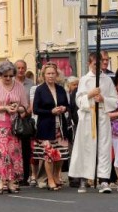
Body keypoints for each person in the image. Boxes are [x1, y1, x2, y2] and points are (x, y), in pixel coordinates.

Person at [68, 52, 118, 193]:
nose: (98, 66)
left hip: (102, 115)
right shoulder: (84, 79)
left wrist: (103, 99)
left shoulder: (107, 80)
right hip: (88, 116)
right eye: (95, 63)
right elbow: (78, 100)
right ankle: (84, 178)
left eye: (100, 63)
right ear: (89, 64)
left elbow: (115, 101)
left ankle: (103, 179)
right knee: (86, 147)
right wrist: (89, 95)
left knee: (104, 147)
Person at [0, 61, 28, 195]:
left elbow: (25, 106)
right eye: (5, 76)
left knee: (13, 153)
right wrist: (4, 107)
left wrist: (17, 108)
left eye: (11, 75)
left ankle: (11, 181)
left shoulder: (20, 86)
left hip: (14, 125)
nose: (8, 78)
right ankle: (0, 180)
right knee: (1, 153)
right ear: (0, 75)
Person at [33, 62, 71, 191]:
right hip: (46, 126)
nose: (51, 76)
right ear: (44, 75)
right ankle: (49, 179)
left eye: (53, 73)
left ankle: (56, 175)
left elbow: (68, 105)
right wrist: (51, 111)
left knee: (61, 154)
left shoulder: (61, 89)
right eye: (48, 74)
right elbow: (36, 109)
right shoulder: (40, 89)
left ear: (56, 75)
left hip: (60, 126)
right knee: (49, 154)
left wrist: (64, 108)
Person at [14, 59, 35, 186]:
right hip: (13, 118)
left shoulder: (31, 84)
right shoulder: (11, 83)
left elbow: (32, 102)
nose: (21, 70)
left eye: (23, 68)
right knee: (14, 149)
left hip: (26, 119)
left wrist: (26, 112)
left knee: (26, 149)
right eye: (18, 68)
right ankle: (15, 175)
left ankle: (26, 176)